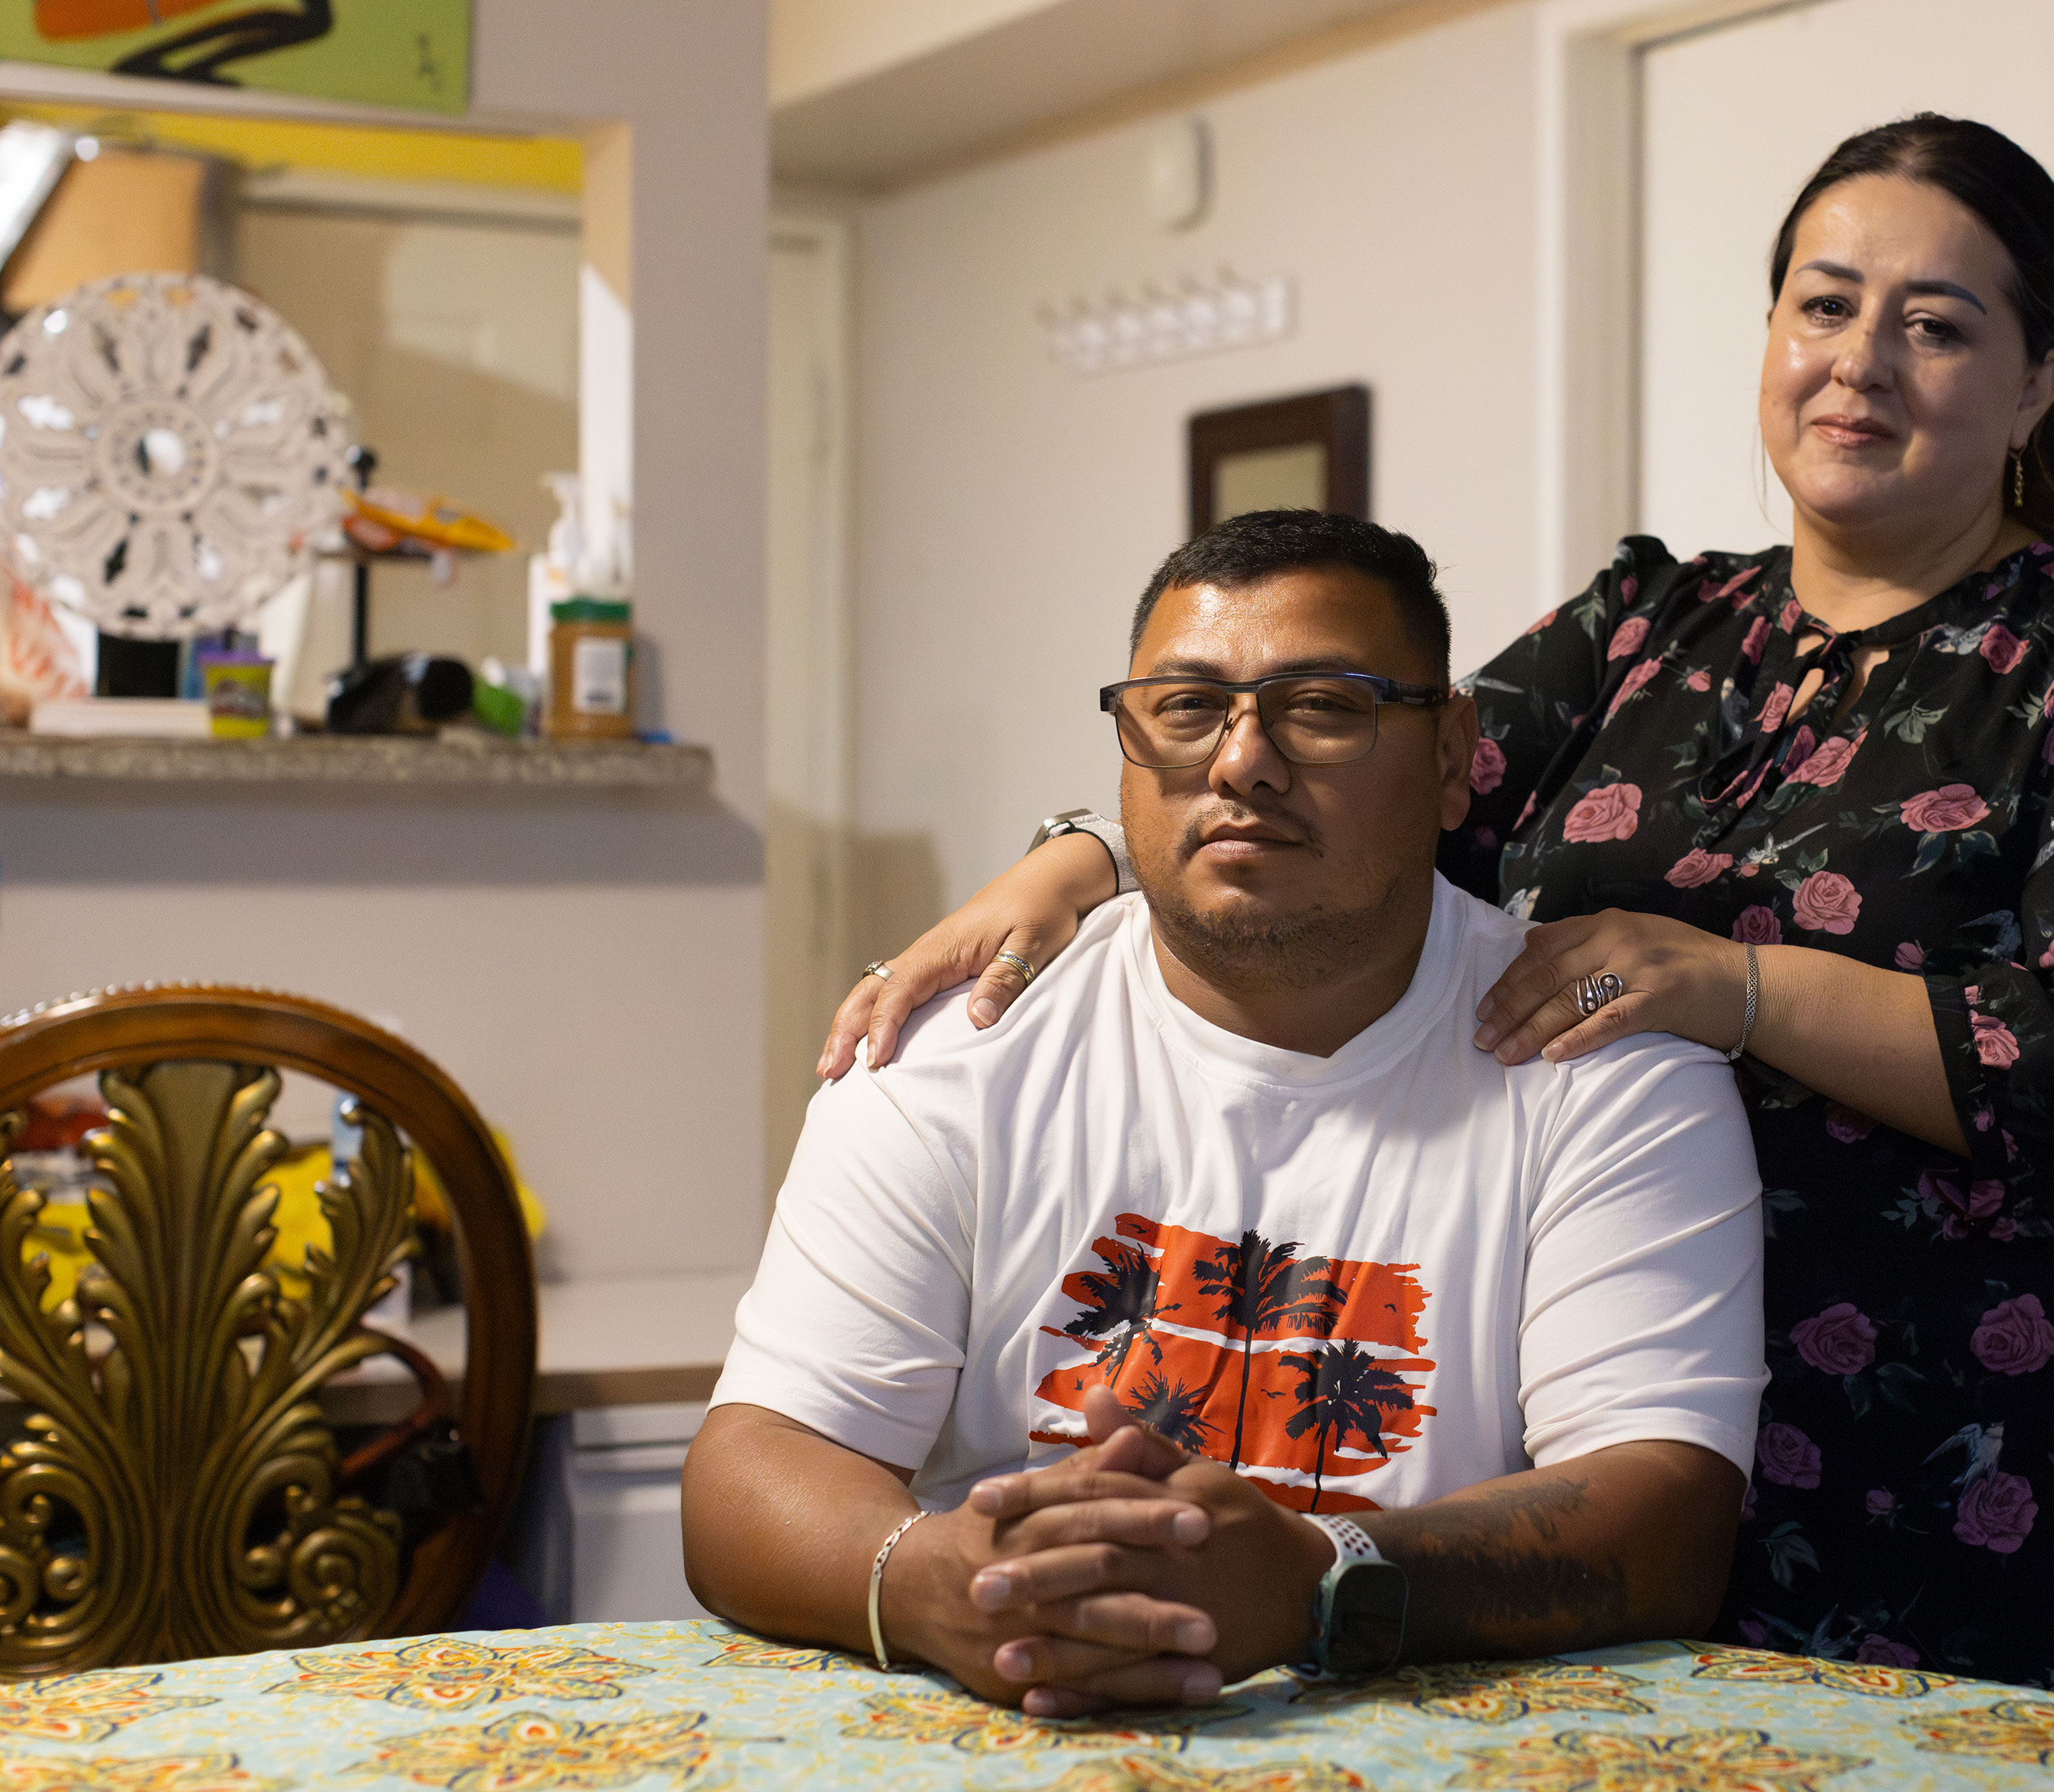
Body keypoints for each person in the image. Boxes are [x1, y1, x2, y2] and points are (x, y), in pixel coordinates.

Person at [822, 115, 2054, 1738]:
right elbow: (1373, 780)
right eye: (1824, 306)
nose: (1862, 363)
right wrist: (1073, 864)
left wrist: (1741, 986)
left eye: (1937, 325)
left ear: (2035, 384)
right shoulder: (1653, 624)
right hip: (1698, 1474)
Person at [687, 510, 1767, 1716]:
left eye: (1324, 707)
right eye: (1188, 710)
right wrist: (932, 1581)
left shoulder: (1605, 1067)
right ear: (1127, 752)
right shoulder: (948, 1050)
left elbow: (1663, 1511)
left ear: (1455, 751)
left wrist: (1324, 1578)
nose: (1242, 762)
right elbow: (750, 1472)